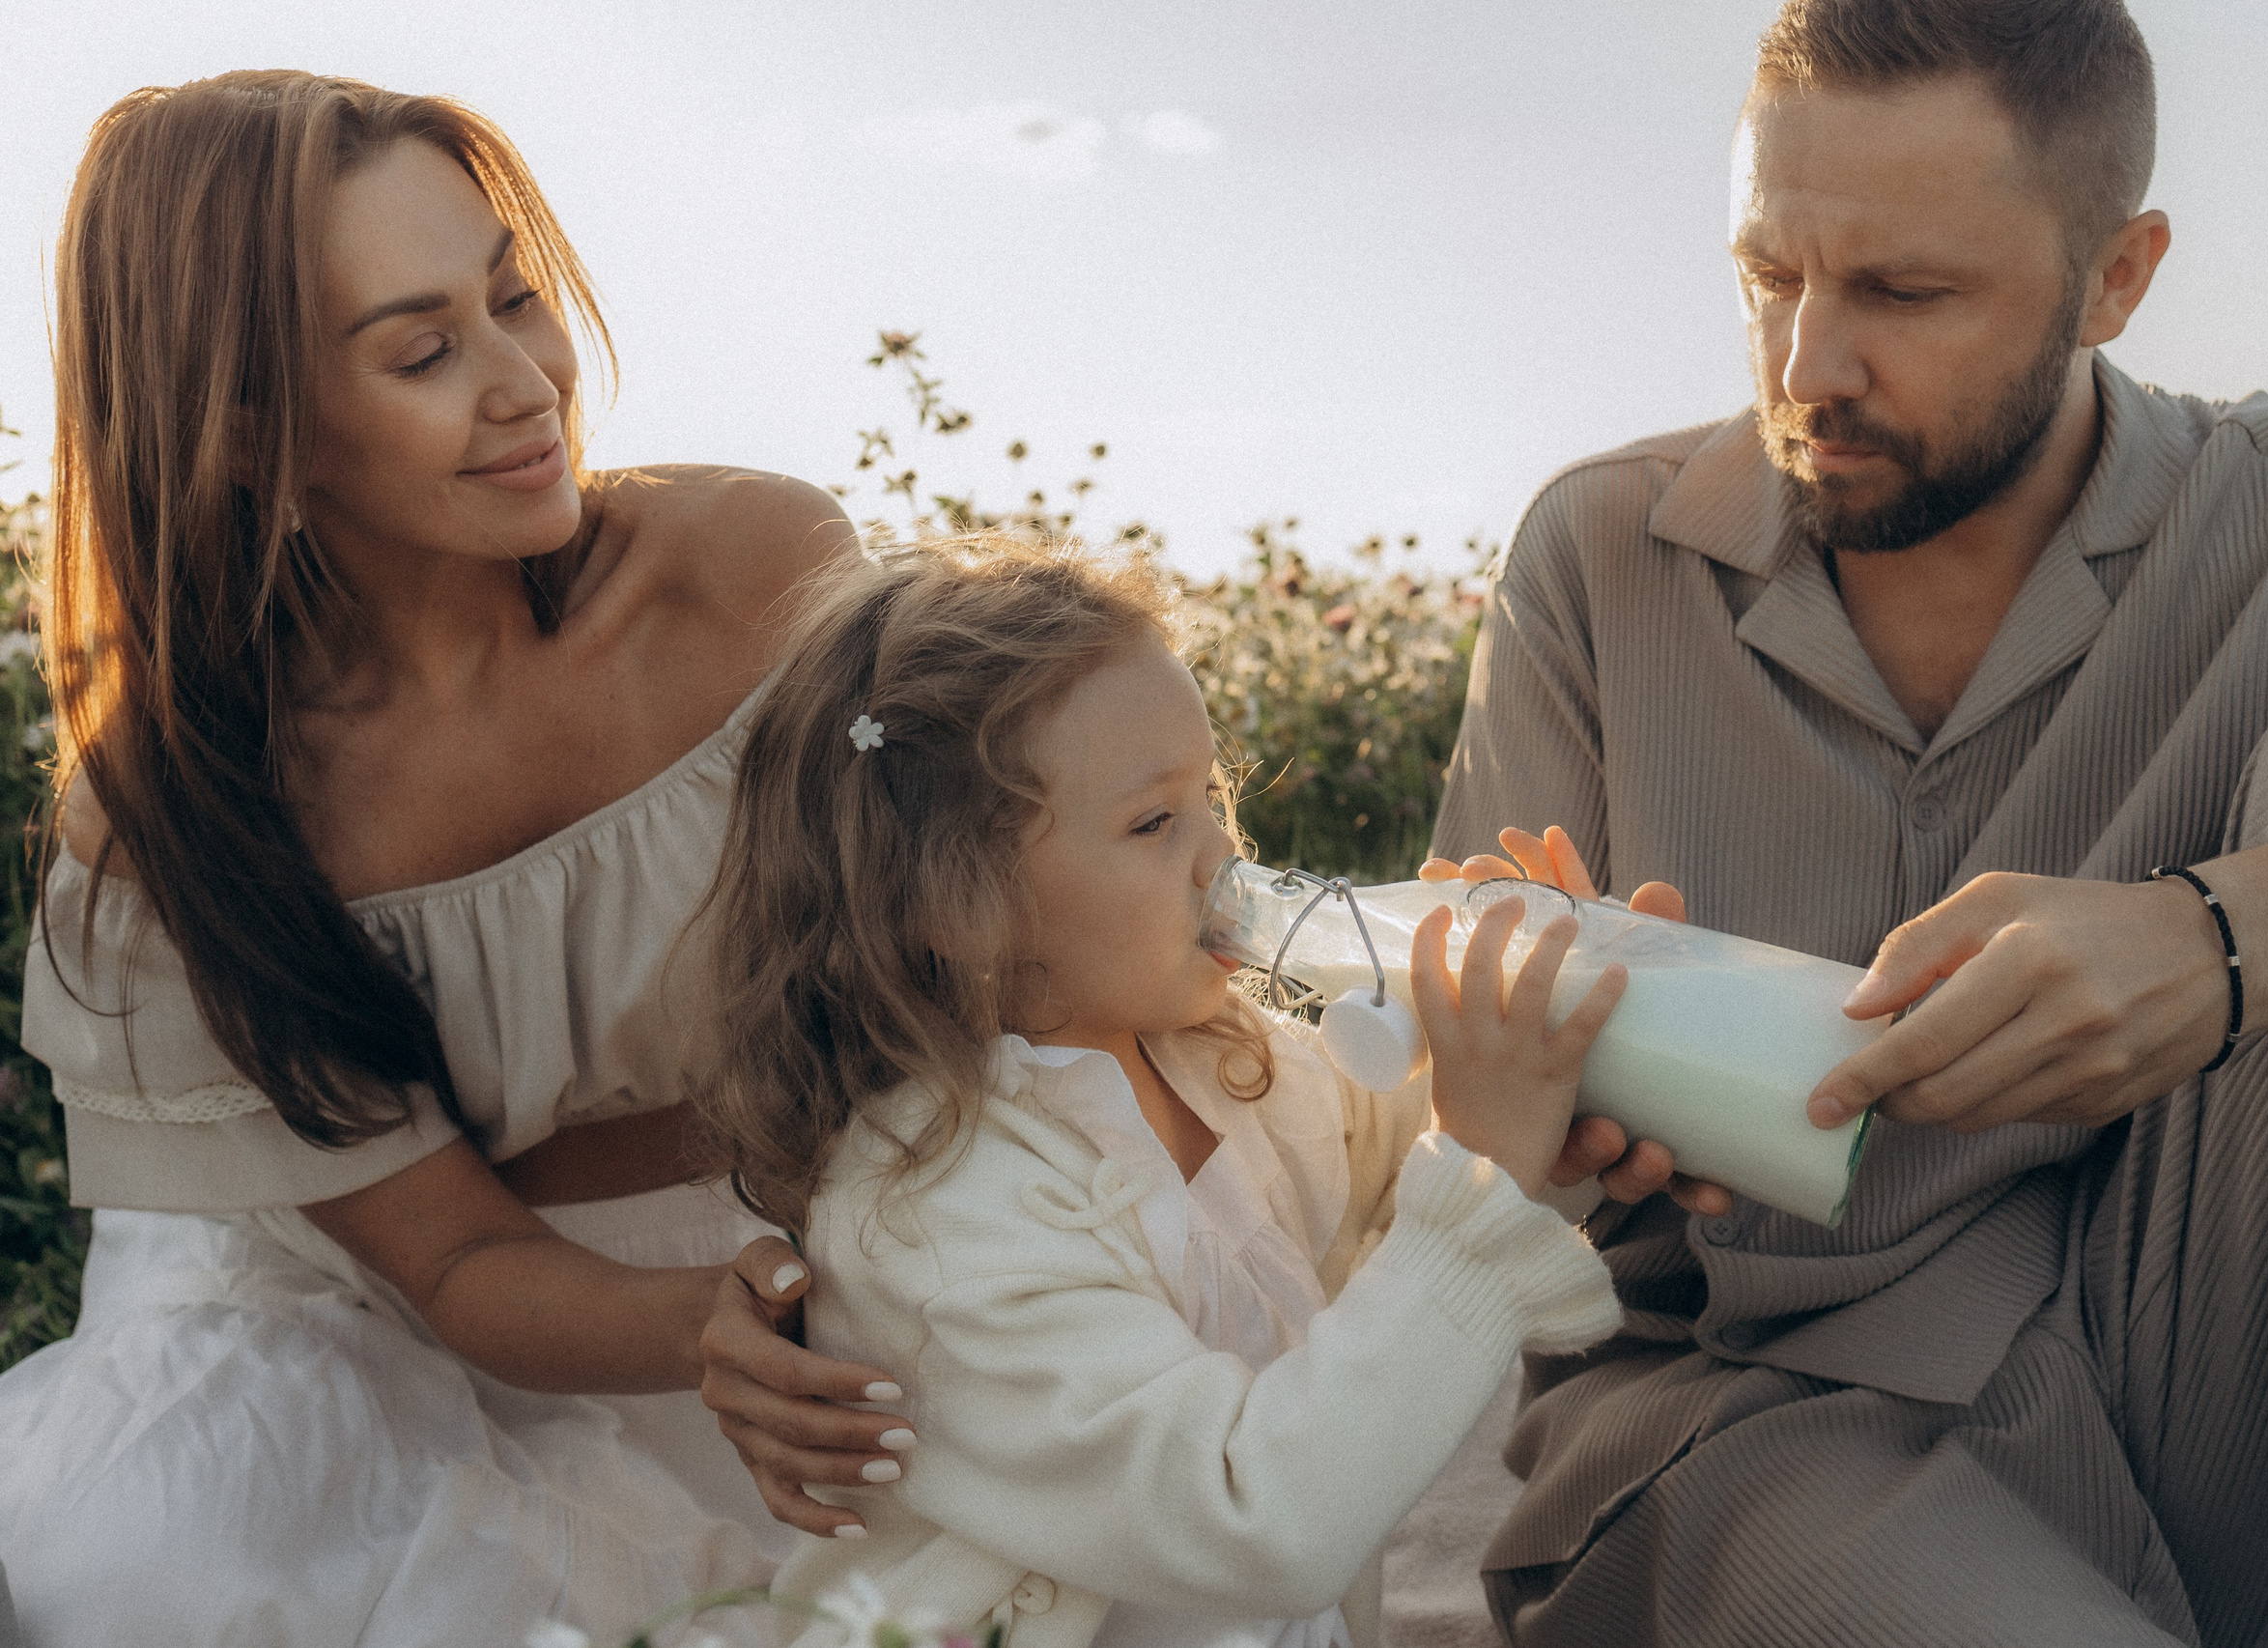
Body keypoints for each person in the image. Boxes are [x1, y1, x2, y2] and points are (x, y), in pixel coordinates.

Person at [1423, 0, 2268, 1642]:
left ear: (2117, 278)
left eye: (1904, 292)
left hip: (2208, 1387)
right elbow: (1432, 1142)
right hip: (1745, 1410)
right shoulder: (1598, 559)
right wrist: (1508, 1125)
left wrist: (2221, 939)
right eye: (1769, 272)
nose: (1804, 367)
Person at [0, 72, 905, 1645]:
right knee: (179, 1557)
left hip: (772, 1231)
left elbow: (1000, 890)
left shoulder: (758, 573)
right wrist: (721, 1321)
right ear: (241, 425)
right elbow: (466, 1259)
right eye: (422, 350)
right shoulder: (179, 814)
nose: (524, 381)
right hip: (349, 1301)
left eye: (515, 297)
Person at [694, 536, 1625, 1647]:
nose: (1219, 855)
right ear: (952, 901)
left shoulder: (1229, 1059)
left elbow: (1431, 1185)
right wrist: (1484, 1167)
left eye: (1210, 794)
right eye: (1152, 821)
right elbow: (1254, 1518)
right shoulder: (933, 1219)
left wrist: (1542, 1082)